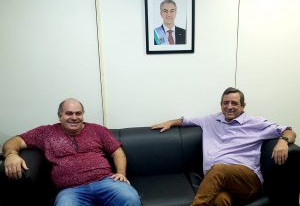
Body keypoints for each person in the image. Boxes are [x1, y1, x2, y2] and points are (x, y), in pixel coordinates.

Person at [151, 87, 297, 206]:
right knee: (221, 200)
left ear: (243, 106)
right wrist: (170, 122)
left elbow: (289, 131)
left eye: (234, 103)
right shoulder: (210, 120)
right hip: (218, 181)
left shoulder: (255, 123)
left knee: (220, 168)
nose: (229, 107)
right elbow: (184, 120)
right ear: (221, 105)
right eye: (225, 103)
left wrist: (283, 141)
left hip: (247, 180)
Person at [2, 98, 141, 206]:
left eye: (78, 113)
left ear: (82, 115)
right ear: (60, 116)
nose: (74, 117)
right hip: (71, 190)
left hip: (106, 182)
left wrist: (121, 173)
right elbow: (15, 140)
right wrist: (11, 154)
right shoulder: (46, 133)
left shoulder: (97, 129)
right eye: (69, 113)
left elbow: (117, 152)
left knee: (130, 198)